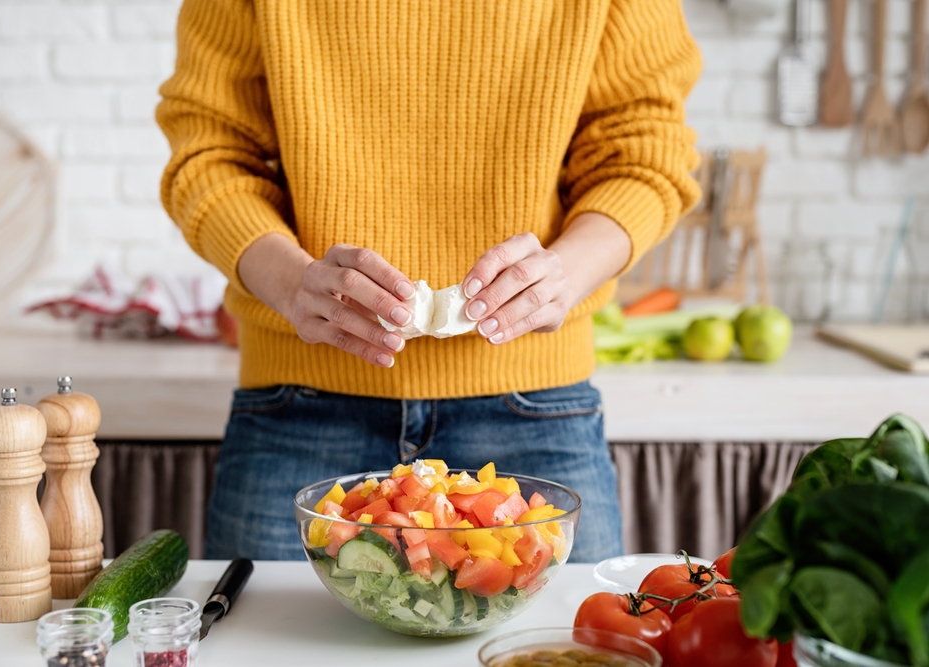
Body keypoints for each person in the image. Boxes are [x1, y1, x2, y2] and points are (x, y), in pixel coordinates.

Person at [157, 0, 702, 562]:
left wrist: (567, 272)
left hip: (535, 405)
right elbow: (209, 153)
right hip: (300, 404)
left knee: (567, 645)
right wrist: (290, 282)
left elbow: (646, 152)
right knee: (262, 647)